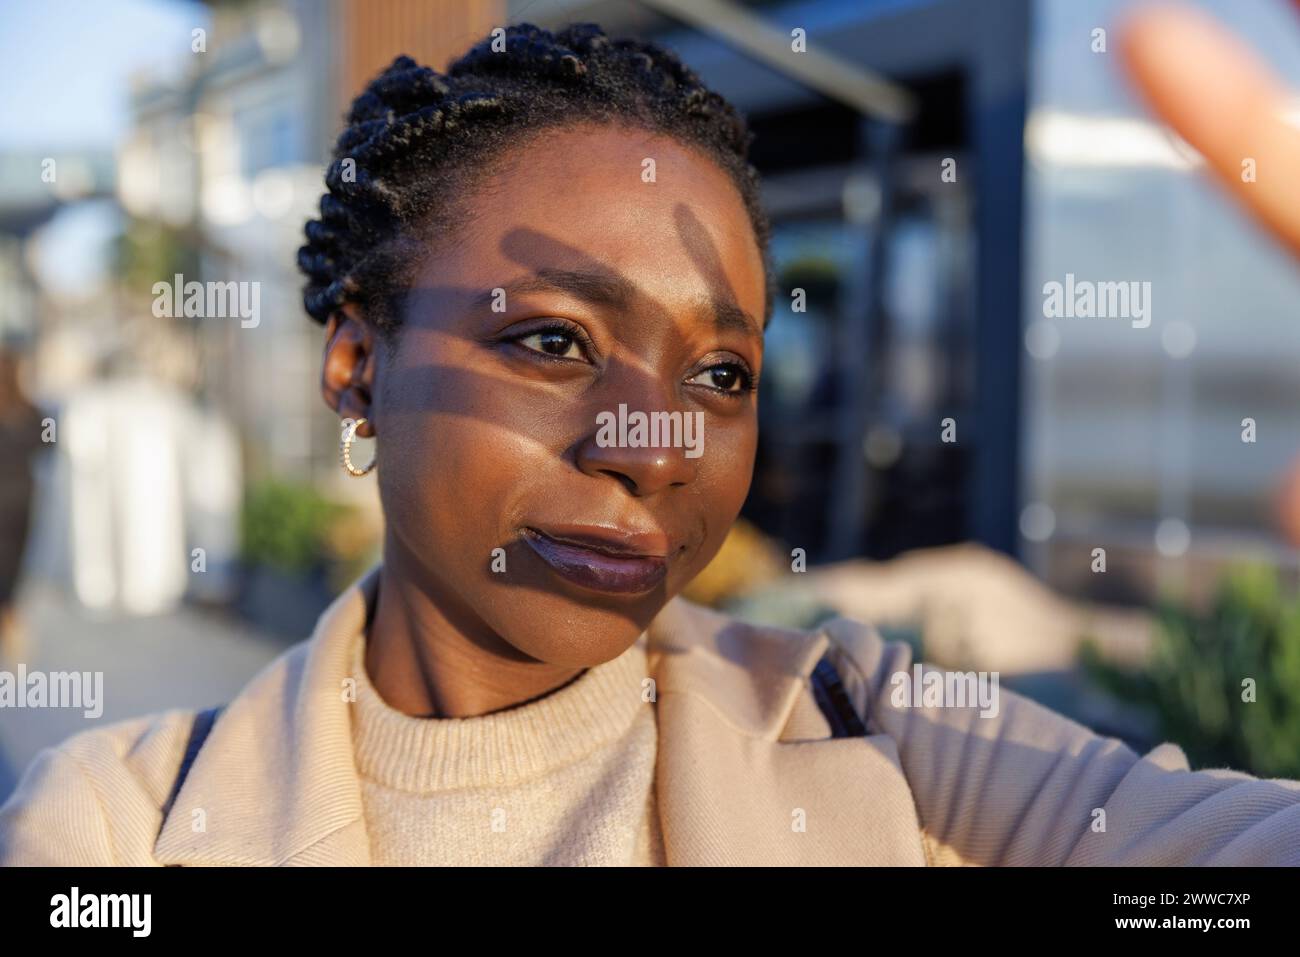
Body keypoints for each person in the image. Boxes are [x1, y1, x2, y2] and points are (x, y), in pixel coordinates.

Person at [2, 20, 1298, 867]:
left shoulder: (876, 729)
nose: (657, 441)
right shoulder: (120, 832)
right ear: (357, 367)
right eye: (555, 342)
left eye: (721, 371)